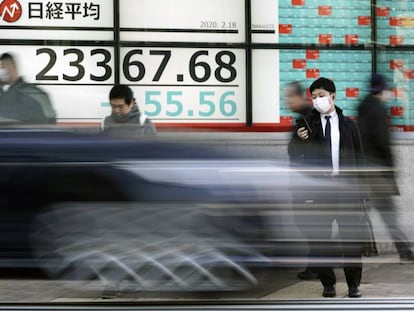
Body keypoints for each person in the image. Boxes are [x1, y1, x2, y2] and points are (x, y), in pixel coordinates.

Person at [290, 77, 365, 298]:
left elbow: (359, 158)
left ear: (333, 96)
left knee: (350, 240)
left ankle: (353, 285)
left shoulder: (349, 125)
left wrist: (363, 193)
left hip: (345, 188)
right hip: (318, 190)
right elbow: (293, 156)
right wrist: (298, 140)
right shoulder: (306, 124)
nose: (317, 100)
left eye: (321, 95)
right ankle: (328, 284)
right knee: (320, 239)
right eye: (313, 97)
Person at [357, 74, 414, 262]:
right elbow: (383, 142)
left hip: (364, 169)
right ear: (381, 90)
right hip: (378, 172)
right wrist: (391, 168)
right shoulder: (378, 110)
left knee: (365, 212)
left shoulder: (363, 108)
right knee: (389, 215)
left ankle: (370, 248)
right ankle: (405, 251)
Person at [285, 81, 318, 281]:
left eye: (289, 97)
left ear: (298, 97)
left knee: (307, 223)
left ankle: (316, 266)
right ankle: (315, 264)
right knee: (306, 223)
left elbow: (305, 150)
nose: (287, 101)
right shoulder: (304, 117)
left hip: (307, 182)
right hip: (304, 181)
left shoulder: (308, 118)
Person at [0, 52, 55, 124]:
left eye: (2, 67)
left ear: (12, 67)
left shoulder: (18, 95)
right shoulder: (34, 92)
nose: (1, 72)